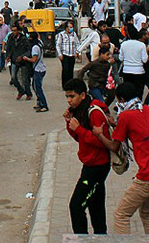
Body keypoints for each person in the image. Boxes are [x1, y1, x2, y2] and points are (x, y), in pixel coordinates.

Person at [92, 82, 149, 234]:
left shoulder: (125, 116)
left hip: (146, 177)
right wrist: (116, 123)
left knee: (121, 215)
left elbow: (114, 146)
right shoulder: (147, 109)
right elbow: (136, 127)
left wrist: (99, 134)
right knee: (146, 213)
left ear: (122, 100)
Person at [63, 78, 111, 235]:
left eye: (72, 96)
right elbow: (79, 138)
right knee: (96, 206)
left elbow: (104, 142)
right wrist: (70, 124)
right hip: (90, 164)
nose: (69, 100)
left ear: (82, 95)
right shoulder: (80, 111)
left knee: (76, 206)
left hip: (97, 168)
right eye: (67, 97)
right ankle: (101, 236)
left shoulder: (94, 112)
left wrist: (79, 129)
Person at [119, 27, 148, 99]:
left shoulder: (124, 44)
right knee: (139, 93)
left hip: (126, 71)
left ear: (128, 35)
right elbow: (144, 60)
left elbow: (121, 58)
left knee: (128, 92)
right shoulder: (142, 45)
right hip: (139, 72)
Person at [5, 25, 32, 100]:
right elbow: (9, 48)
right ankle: (21, 90)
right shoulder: (11, 38)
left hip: (23, 61)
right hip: (14, 60)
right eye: (12, 30)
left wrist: (22, 56)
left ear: (18, 31)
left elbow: (28, 50)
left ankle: (28, 93)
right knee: (13, 78)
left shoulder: (24, 39)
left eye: (15, 30)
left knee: (24, 79)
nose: (14, 32)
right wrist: (8, 56)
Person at [24, 32, 49, 112]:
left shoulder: (35, 47)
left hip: (38, 69)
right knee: (35, 86)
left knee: (37, 88)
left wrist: (26, 58)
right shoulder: (39, 43)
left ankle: (44, 105)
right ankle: (39, 103)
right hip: (41, 68)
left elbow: (34, 59)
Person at [56, 20, 80, 89]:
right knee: (65, 70)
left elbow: (77, 44)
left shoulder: (74, 34)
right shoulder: (61, 35)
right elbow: (58, 45)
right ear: (66, 28)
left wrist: (77, 52)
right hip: (65, 55)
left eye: (72, 27)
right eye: (69, 27)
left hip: (72, 55)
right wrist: (60, 54)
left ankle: (70, 85)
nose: (71, 29)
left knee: (70, 70)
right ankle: (65, 85)